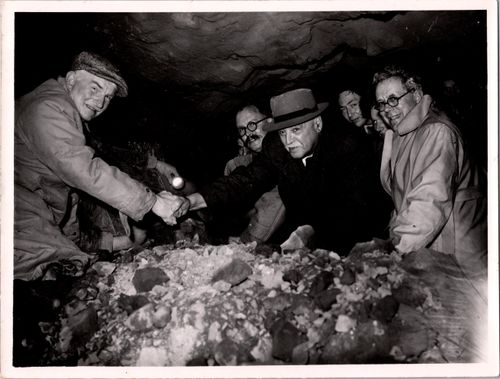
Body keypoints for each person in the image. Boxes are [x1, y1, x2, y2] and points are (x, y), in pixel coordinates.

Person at [14, 51, 184, 280]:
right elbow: (84, 168)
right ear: (72, 79)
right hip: (15, 213)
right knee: (46, 274)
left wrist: (155, 163)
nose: (101, 102)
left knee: (70, 267)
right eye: (94, 88)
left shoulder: (73, 119)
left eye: (108, 97)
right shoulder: (47, 108)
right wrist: (153, 202)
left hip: (34, 214)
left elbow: (108, 153)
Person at [173, 88, 391, 254]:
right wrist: (193, 201)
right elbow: (245, 179)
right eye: (282, 133)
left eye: (296, 130)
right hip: (305, 242)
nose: (288, 141)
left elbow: (355, 209)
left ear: (317, 124)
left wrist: (312, 232)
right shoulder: (277, 148)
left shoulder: (348, 147)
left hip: (360, 242)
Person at [372, 65, 487, 278]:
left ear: (416, 94)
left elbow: (429, 200)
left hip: (458, 254)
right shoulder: (404, 134)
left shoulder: (437, 132)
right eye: (381, 103)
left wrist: (396, 250)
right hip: (430, 248)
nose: (387, 108)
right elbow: (402, 200)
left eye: (393, 99)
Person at [222, 105, 285, 243]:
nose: (248, 134)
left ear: (270, 121)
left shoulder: (286, 151)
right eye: (242, 130)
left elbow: (273, 203)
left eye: (252, 124)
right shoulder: (237, 164)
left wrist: (244, 243)